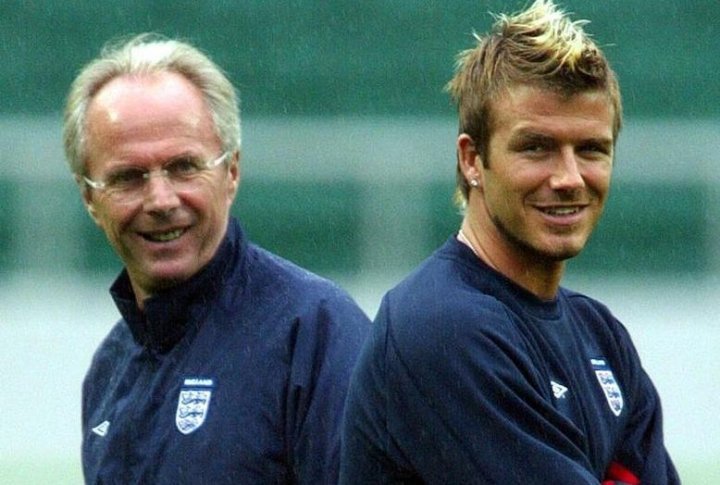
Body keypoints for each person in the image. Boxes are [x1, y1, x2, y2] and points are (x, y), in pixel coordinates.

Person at [340, 1, 679, 483]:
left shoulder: (602, 336)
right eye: (536, 147)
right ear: (472, 159)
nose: (569, 178)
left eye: (591, 150)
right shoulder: (442, 328)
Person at [63, 33, 370, 484]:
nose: (161, 199)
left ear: (232, 172)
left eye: (183, 167)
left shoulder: (315, 333)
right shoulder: (110, 369)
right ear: (90, 198)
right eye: (129, 177)